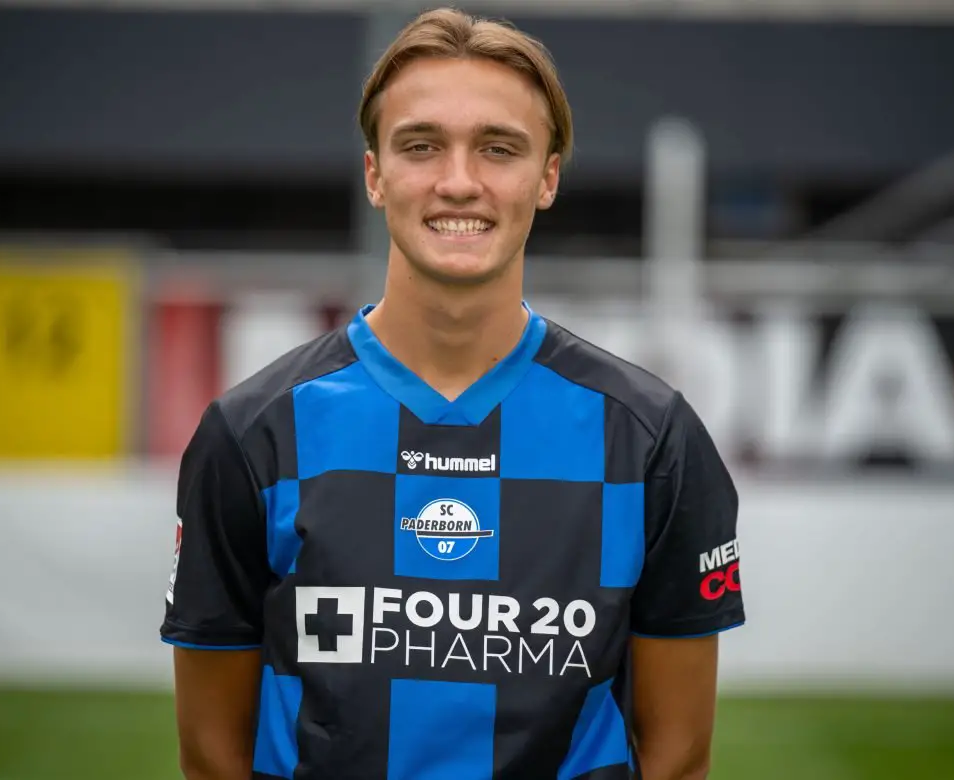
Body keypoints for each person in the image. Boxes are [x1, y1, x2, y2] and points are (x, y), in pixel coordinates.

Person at [160, 7, 744, 779]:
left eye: (499, 149)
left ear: (548, 177)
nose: (459, 181)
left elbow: (678, 757)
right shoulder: (254, 434)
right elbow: (211, 754)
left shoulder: (649, 439)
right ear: (375, 174)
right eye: (421, 145)